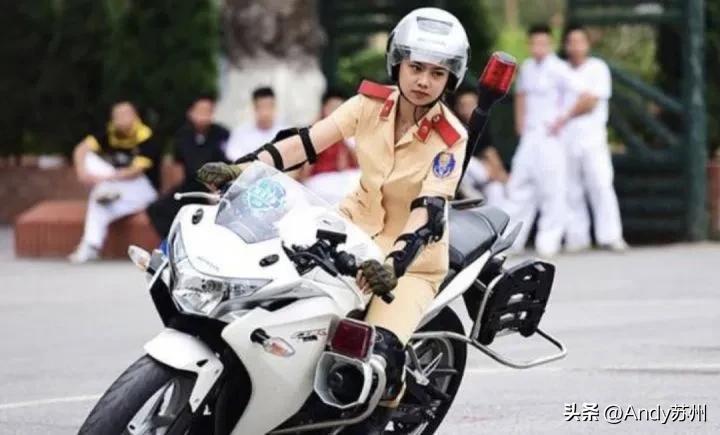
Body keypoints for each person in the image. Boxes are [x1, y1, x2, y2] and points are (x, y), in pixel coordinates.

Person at [196, 8, 506, 433]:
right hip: (348, 228)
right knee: (276, 299)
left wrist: (394, 264)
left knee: (378, 358)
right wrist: (244, 168)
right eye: (416, 67)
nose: (423, 80)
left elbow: (428, 211)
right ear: (397, 63)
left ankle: (373, 423)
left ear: (450, 80)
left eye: (437, 73)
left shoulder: (450, 139)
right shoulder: (368, 105)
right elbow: (306, 143)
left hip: (411, 263)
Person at [503, 24, 584, 257]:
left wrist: (563, 118)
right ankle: (511, 241)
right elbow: (521, 96)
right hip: (530, 135)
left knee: (552, 188)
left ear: (550, 44)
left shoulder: (560, 69)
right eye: (534, 43)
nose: (538, 47)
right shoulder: (527, 67)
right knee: (519, 186)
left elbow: (584, 95)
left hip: (551, 136)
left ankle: (548, 241)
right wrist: (520, 124)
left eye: (543, 43)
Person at [557, 25, 627, 252]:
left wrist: (567, 113)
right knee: (571, 188)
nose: (576, 47)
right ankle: (577, 238)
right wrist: (578, 103)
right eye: (571, 42)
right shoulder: (560, 70)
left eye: (580, 42)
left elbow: (591, 102)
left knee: (601, 184)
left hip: (593, 138)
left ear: (587, 44)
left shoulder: (598, 68)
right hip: (566, 138)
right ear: (566, 45)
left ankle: (611, 236)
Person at [68, 101, 160, 263]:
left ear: (135, 116)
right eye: (118, 116)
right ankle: (91, 246)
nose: (121, 119)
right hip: (115, 186)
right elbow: (81, 149)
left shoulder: (146, 136)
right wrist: (82, 172)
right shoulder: (109, 132)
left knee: (100, 197)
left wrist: (104, 178)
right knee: (98, 198)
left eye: (126, 115)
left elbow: (135, 172)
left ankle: (90, 244)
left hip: (142, 188)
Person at [146, 95, 230, 238]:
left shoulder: (222, 134)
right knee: (158, 209)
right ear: (191, 113)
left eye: (208, 111)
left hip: (218, 187)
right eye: (200, 111)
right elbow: (186, 165)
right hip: (192, 187)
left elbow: (228, 162)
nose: (204, 115)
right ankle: (173, 240)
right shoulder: (182, 135)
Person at [300, 88, 360, 204]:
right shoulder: (313, 133)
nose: (336, 113)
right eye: (332, 108)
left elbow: (360, 166)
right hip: (321, 180)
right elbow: (304, 174)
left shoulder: (351, 133)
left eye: (340, 108)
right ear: (323, 109)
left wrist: (347, 141)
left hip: (343, 179)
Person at [451, 86, 508, 205]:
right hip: (460, 173)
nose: (467, 109)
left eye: (471, 104)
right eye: (464, 105)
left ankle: (491, 213)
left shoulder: (482, 125)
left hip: (482, 176)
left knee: (496, 188)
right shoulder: (453, 125)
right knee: (463, 163)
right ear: (457, 108)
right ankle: (474, 204)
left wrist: (500, 174)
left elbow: (489, 151)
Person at [224, 86, 285, 162]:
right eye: (262, 107)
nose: (266, 113)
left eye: (269, 106)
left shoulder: (285, 133)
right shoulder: (240, 133)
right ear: (254, 108)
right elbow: (234, 158)